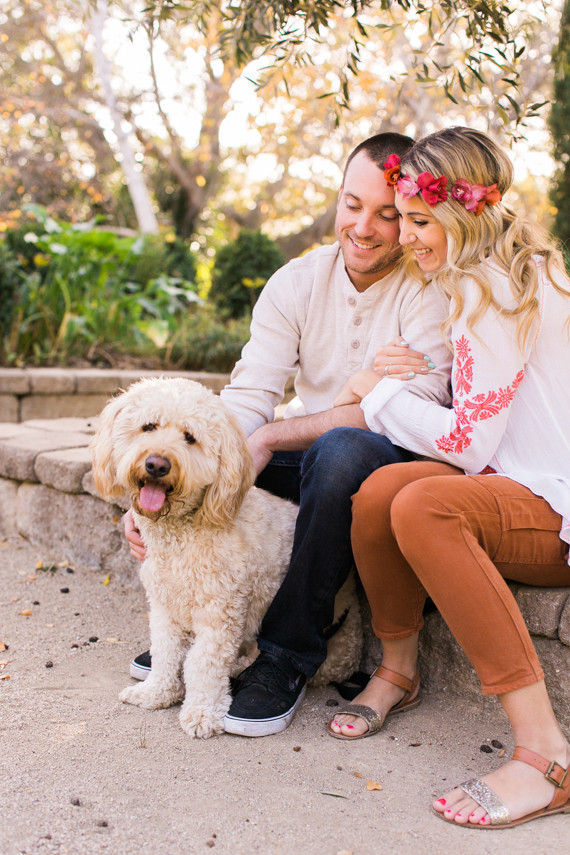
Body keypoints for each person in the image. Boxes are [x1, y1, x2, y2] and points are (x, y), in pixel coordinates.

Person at [125, 132, 453, 737]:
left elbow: (412, 409)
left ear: (410, 219)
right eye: (353, 204)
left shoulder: (429, 290)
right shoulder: (295, 282)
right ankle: (203, 633)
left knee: (340, 450)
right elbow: (249, 398)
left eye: (387, 214)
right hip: (312, 460)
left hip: (394, 470)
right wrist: (162, 488)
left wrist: (276, 437)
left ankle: (285, 655)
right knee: (215, 467)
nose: (364, 227)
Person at [327, 126, 570, 829]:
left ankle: (546, 754)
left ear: (466, 214)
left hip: (553, 507)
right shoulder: (490, 275)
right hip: (518, 485)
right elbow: (483, 408)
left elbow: (467, 444)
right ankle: (398, 669)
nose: (405, 237)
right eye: (402, 217)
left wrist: (376, 392)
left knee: (425, 504)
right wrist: (409, 382)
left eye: (419, 220)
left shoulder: (495, 288)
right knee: (376, 493)